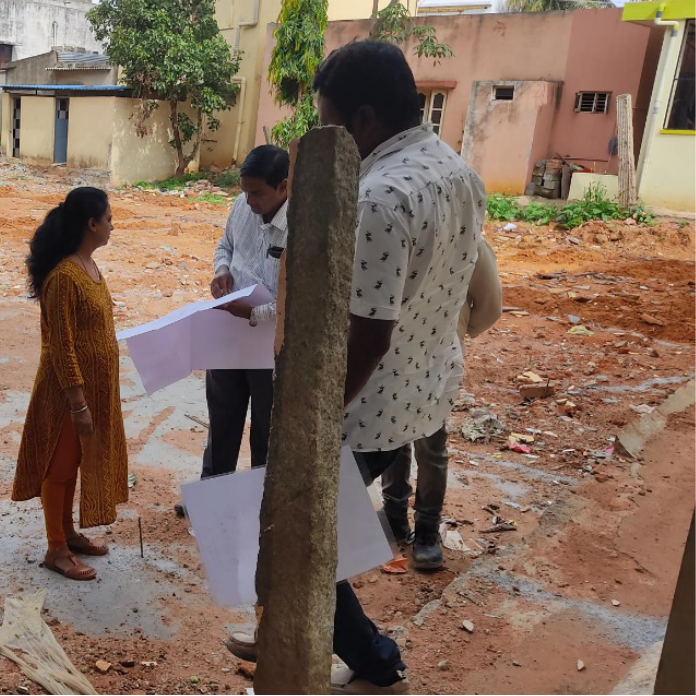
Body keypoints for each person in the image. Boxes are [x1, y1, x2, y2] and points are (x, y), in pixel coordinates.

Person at [225, 41, 485, 696]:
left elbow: (366, 337)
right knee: (305, 538)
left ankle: (373, 659)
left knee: (303, 541)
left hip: (361, 406)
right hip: (417, 393)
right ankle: (286, 621)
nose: (325, 139)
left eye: (329, 123)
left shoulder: (375, 199)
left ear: (362, 119)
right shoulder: (455, 170)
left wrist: (304, 429)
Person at [12, 187, 130, 581]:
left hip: (93, 391)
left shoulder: (89, 268)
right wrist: (78, 402)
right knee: (59, 468)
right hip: (67, 395)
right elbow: (60, 346)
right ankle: (55, 548)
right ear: (91, 224)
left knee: (75, 464)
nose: (113, 226)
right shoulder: (64, 277)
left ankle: (68, 533)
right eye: (109, 219)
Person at [176, 145, 290, 517]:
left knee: (266, 428)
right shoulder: (243, 206)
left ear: (284, 187)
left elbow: (300, 302)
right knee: (222, 414)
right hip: (230, 329)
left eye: (257, 193)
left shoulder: (301, 227)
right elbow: (225, 245)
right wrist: (222, 270)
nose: (249, 200)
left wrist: (255, 311)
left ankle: (262, 507)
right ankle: (211, 496)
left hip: (271, 344)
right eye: (244, 191)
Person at [380, 236, 502, 570]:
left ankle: (427, 531)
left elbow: (490, 306)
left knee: (430, 444)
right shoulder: (400, 231)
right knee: (392, 436)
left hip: (438, 360)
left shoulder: (471, 243)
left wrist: (457, 333)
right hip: (391, 354)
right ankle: (393, 517)